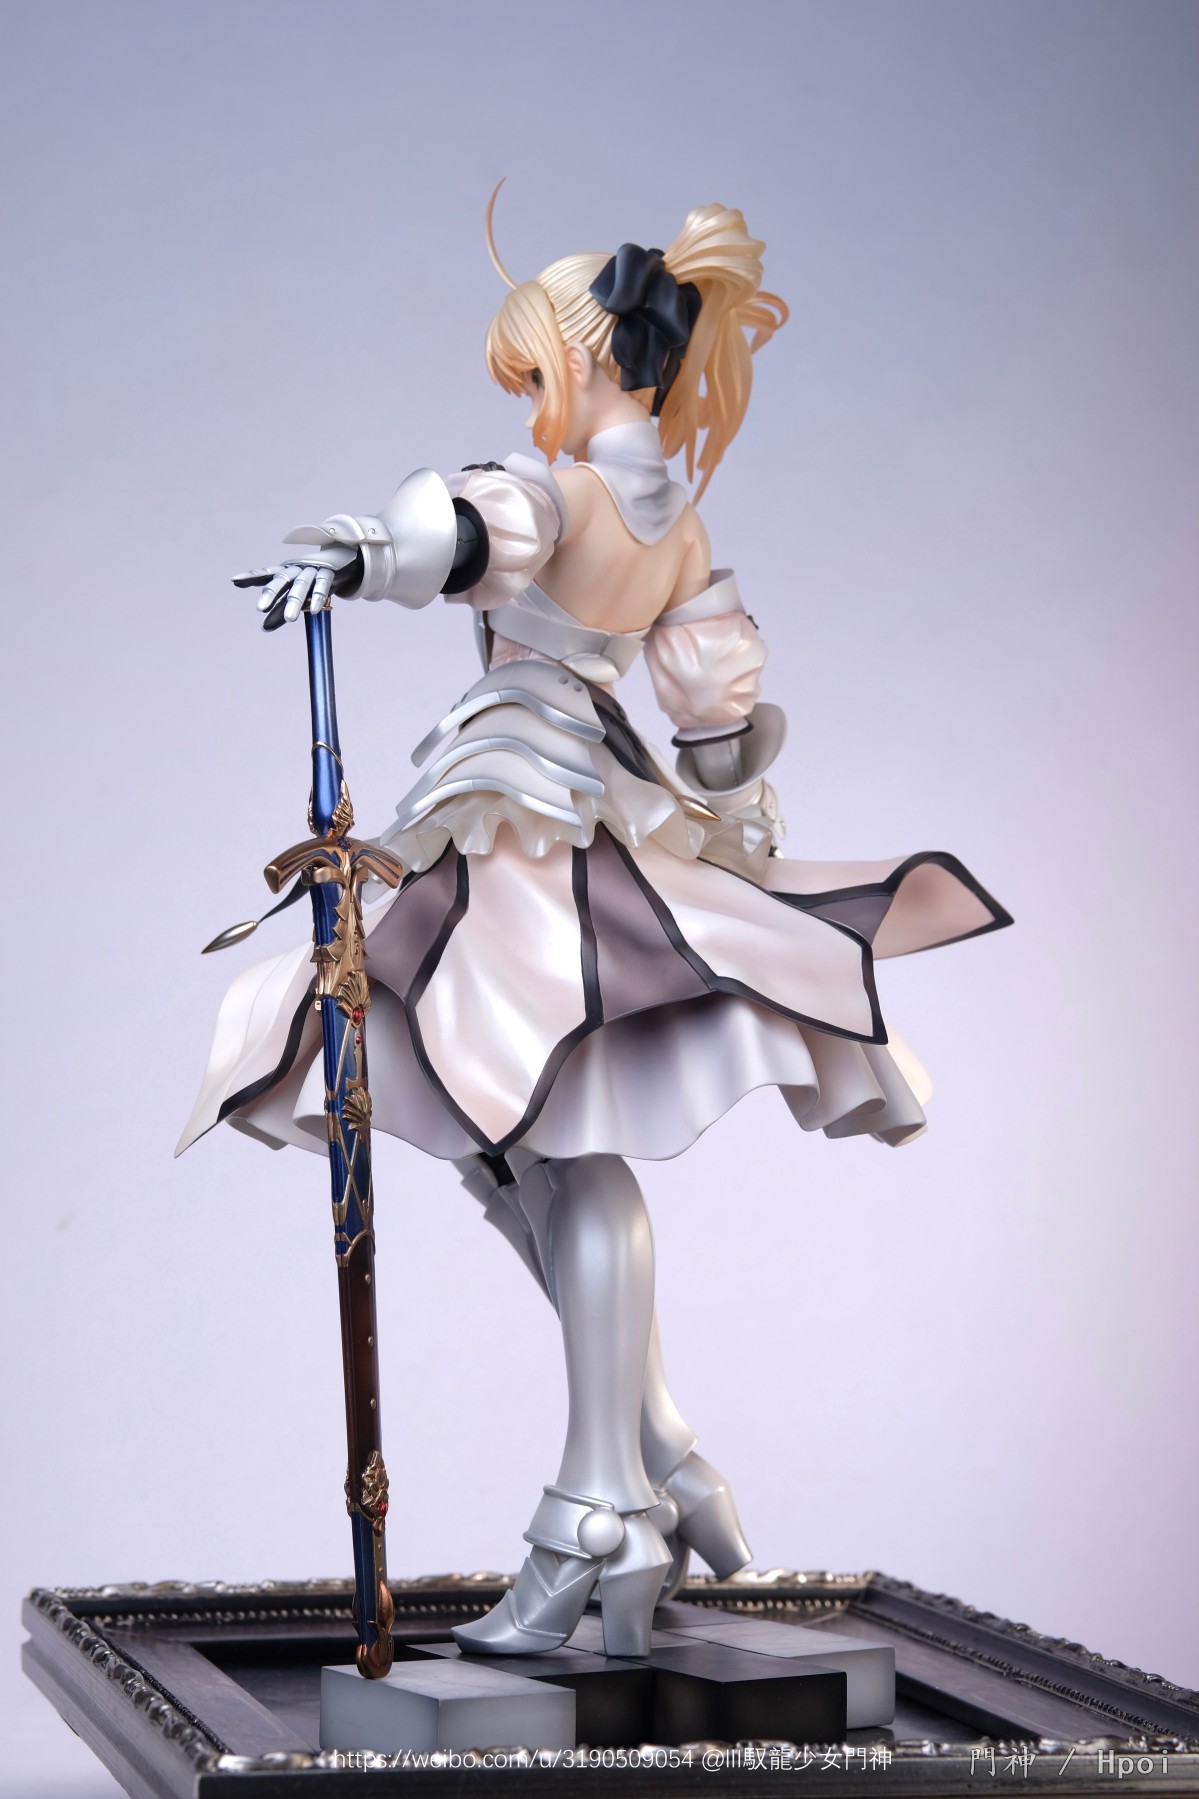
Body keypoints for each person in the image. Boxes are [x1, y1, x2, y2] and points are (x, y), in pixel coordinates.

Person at [178, 197, 1011, 1659]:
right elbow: (717, 726)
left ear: (578, 360)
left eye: (532, 373)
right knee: (510, 1144)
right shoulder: (679, 527)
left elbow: (469, 530)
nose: (526, 405)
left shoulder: (553, 490)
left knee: (551, 1141)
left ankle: (600, 1507)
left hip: (521, 826)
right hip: (590, 814)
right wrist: (728, 816)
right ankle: (660, 1450)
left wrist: (365, 553)